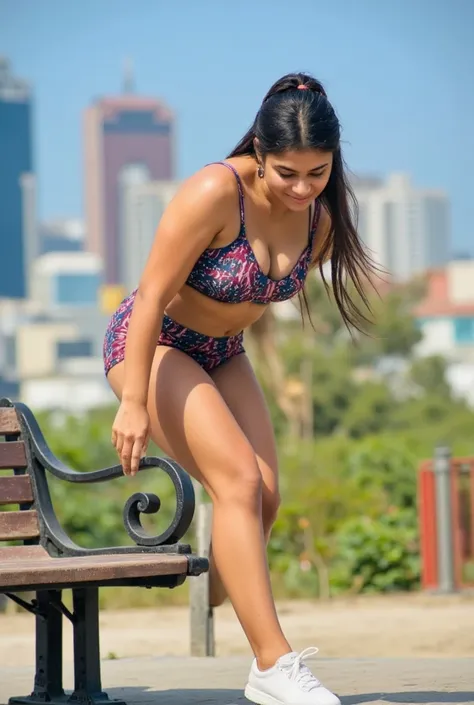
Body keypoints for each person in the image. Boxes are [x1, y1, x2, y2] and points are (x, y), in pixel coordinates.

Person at [104, 72, 374, 705]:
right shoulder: (212, 192)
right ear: (259, 149)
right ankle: (272, 665)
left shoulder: (321, 220)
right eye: (288, 173)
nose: (304, 187)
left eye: (319, 172)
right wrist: (135, 400)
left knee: (267, 500)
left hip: (225, 353)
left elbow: (258, 301)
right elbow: (147, 300)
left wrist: (274, 377)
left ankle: (219, 586)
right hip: (154, 346)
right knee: (239, 484)